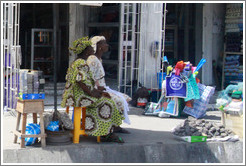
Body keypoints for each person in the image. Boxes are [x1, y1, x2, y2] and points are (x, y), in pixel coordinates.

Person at [61, 37, 124, 143]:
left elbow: (85, 83)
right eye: (90, 47)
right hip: (78, 96)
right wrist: (94, 94)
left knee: (106, 99)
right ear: (86, 51)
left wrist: (98, 92)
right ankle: (103, 132)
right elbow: (81, 82)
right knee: (107, 103)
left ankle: (105, 131)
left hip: (76, 94)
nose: (92, 49)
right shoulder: (81, 63)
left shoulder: (78, 62)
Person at [86, 36, 132, 133]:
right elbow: (90, 77)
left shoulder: (99, 59)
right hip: (95, 90)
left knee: (125, 98)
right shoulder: (92, 59)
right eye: (104, 43)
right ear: (99, 46)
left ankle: (115, 124)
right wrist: (98, 89)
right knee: (118, 100)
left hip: (103, 88)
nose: (107, 45)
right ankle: (113, 125)